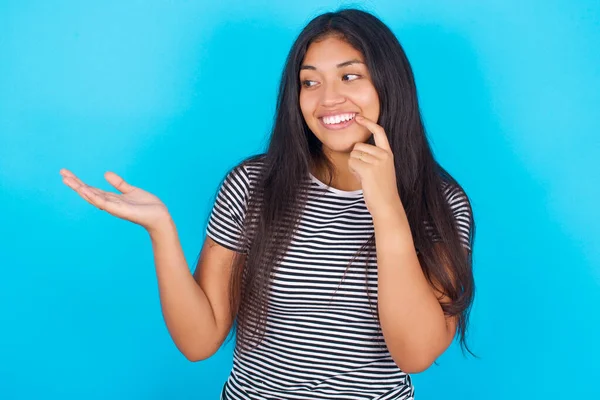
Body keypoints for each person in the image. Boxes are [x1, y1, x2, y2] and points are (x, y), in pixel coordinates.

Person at [60, 8, 475, 400]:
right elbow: (199, 341)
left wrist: (387, 209)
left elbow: (416, 355)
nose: (328, 99)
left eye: (350, 77)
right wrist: (161, 231)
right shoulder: (251, 186)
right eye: (310, 82)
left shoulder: (441, 204)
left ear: (389, 84)